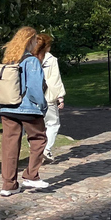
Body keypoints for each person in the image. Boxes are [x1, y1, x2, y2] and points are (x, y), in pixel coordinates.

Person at [0, 27, 49, 197]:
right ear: (30, 40)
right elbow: (35, 88)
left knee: (9, 146)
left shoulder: (9, 60)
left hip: (7, 107)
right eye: (35, 40)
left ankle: (8, 184)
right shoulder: (31, 61)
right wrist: (43, 106)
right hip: (27, 108)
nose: (36, 43)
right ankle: (31, 175)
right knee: (39, 139)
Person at [33, 34, 66, 162]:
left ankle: (35, 150)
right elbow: (55, 79)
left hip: (32, 97)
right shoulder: (51, 59)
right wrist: (60, 97)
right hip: (48, 96)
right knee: (52, 124)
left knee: (35, 125)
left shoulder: (29, 58)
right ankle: (46, 149)